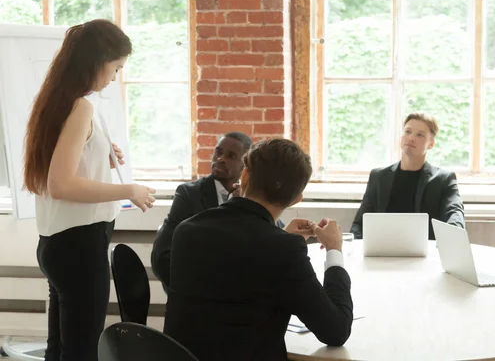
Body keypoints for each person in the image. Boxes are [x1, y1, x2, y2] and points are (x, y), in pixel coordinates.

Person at [23, 19, 156, 361]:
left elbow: (59, 171)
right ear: (98, 61)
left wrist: (99, 154)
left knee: (61, 349)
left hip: (58, 244)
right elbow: (62, 184)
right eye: (116, 68)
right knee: (81, 351)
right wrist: (129, 189)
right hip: (79, 246)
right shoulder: (80, 106)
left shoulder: (56, 100)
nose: (115, 77)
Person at [164, 139, 353, 360]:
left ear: (244, 177)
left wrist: (280, 236)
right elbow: (336, 330)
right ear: (296, 200)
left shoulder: (187, 230)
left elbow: (236, 264)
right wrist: (334, 250)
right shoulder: (284, 250)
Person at [151, 132, 285, 290]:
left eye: (231, 156)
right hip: (196, 294)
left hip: (242, 293)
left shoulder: (253, 195)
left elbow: (277, 236)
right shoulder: (189, 194)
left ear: (247, 166)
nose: (221, 159)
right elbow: (162, 257)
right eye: (218, 152)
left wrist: (248, 202)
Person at [351, 112, 465, 240]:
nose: (411, 138)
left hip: (425, 254)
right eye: (408, 131)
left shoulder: (443, 179)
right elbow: (359, 225)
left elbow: (455, 213)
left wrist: (453, 237)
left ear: (431, 144)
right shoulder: (378, 177)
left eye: (420, 135)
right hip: (381, 252)